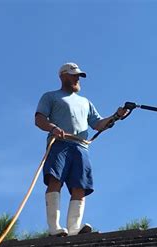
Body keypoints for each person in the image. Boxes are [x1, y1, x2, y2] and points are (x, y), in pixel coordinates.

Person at [35, 62, 129, 236]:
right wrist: (53, 128)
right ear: (63, 76)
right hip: (59, 143)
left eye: (79, 75)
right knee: (55, 180)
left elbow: (98, 124)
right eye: (74, 75)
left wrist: (116, 116)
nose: (78, 78)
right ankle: (54, 228)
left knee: (80, 186)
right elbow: (39, 119)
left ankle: (74, 229)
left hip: (80, 147)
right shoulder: (51, 97)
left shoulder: (85, 102)